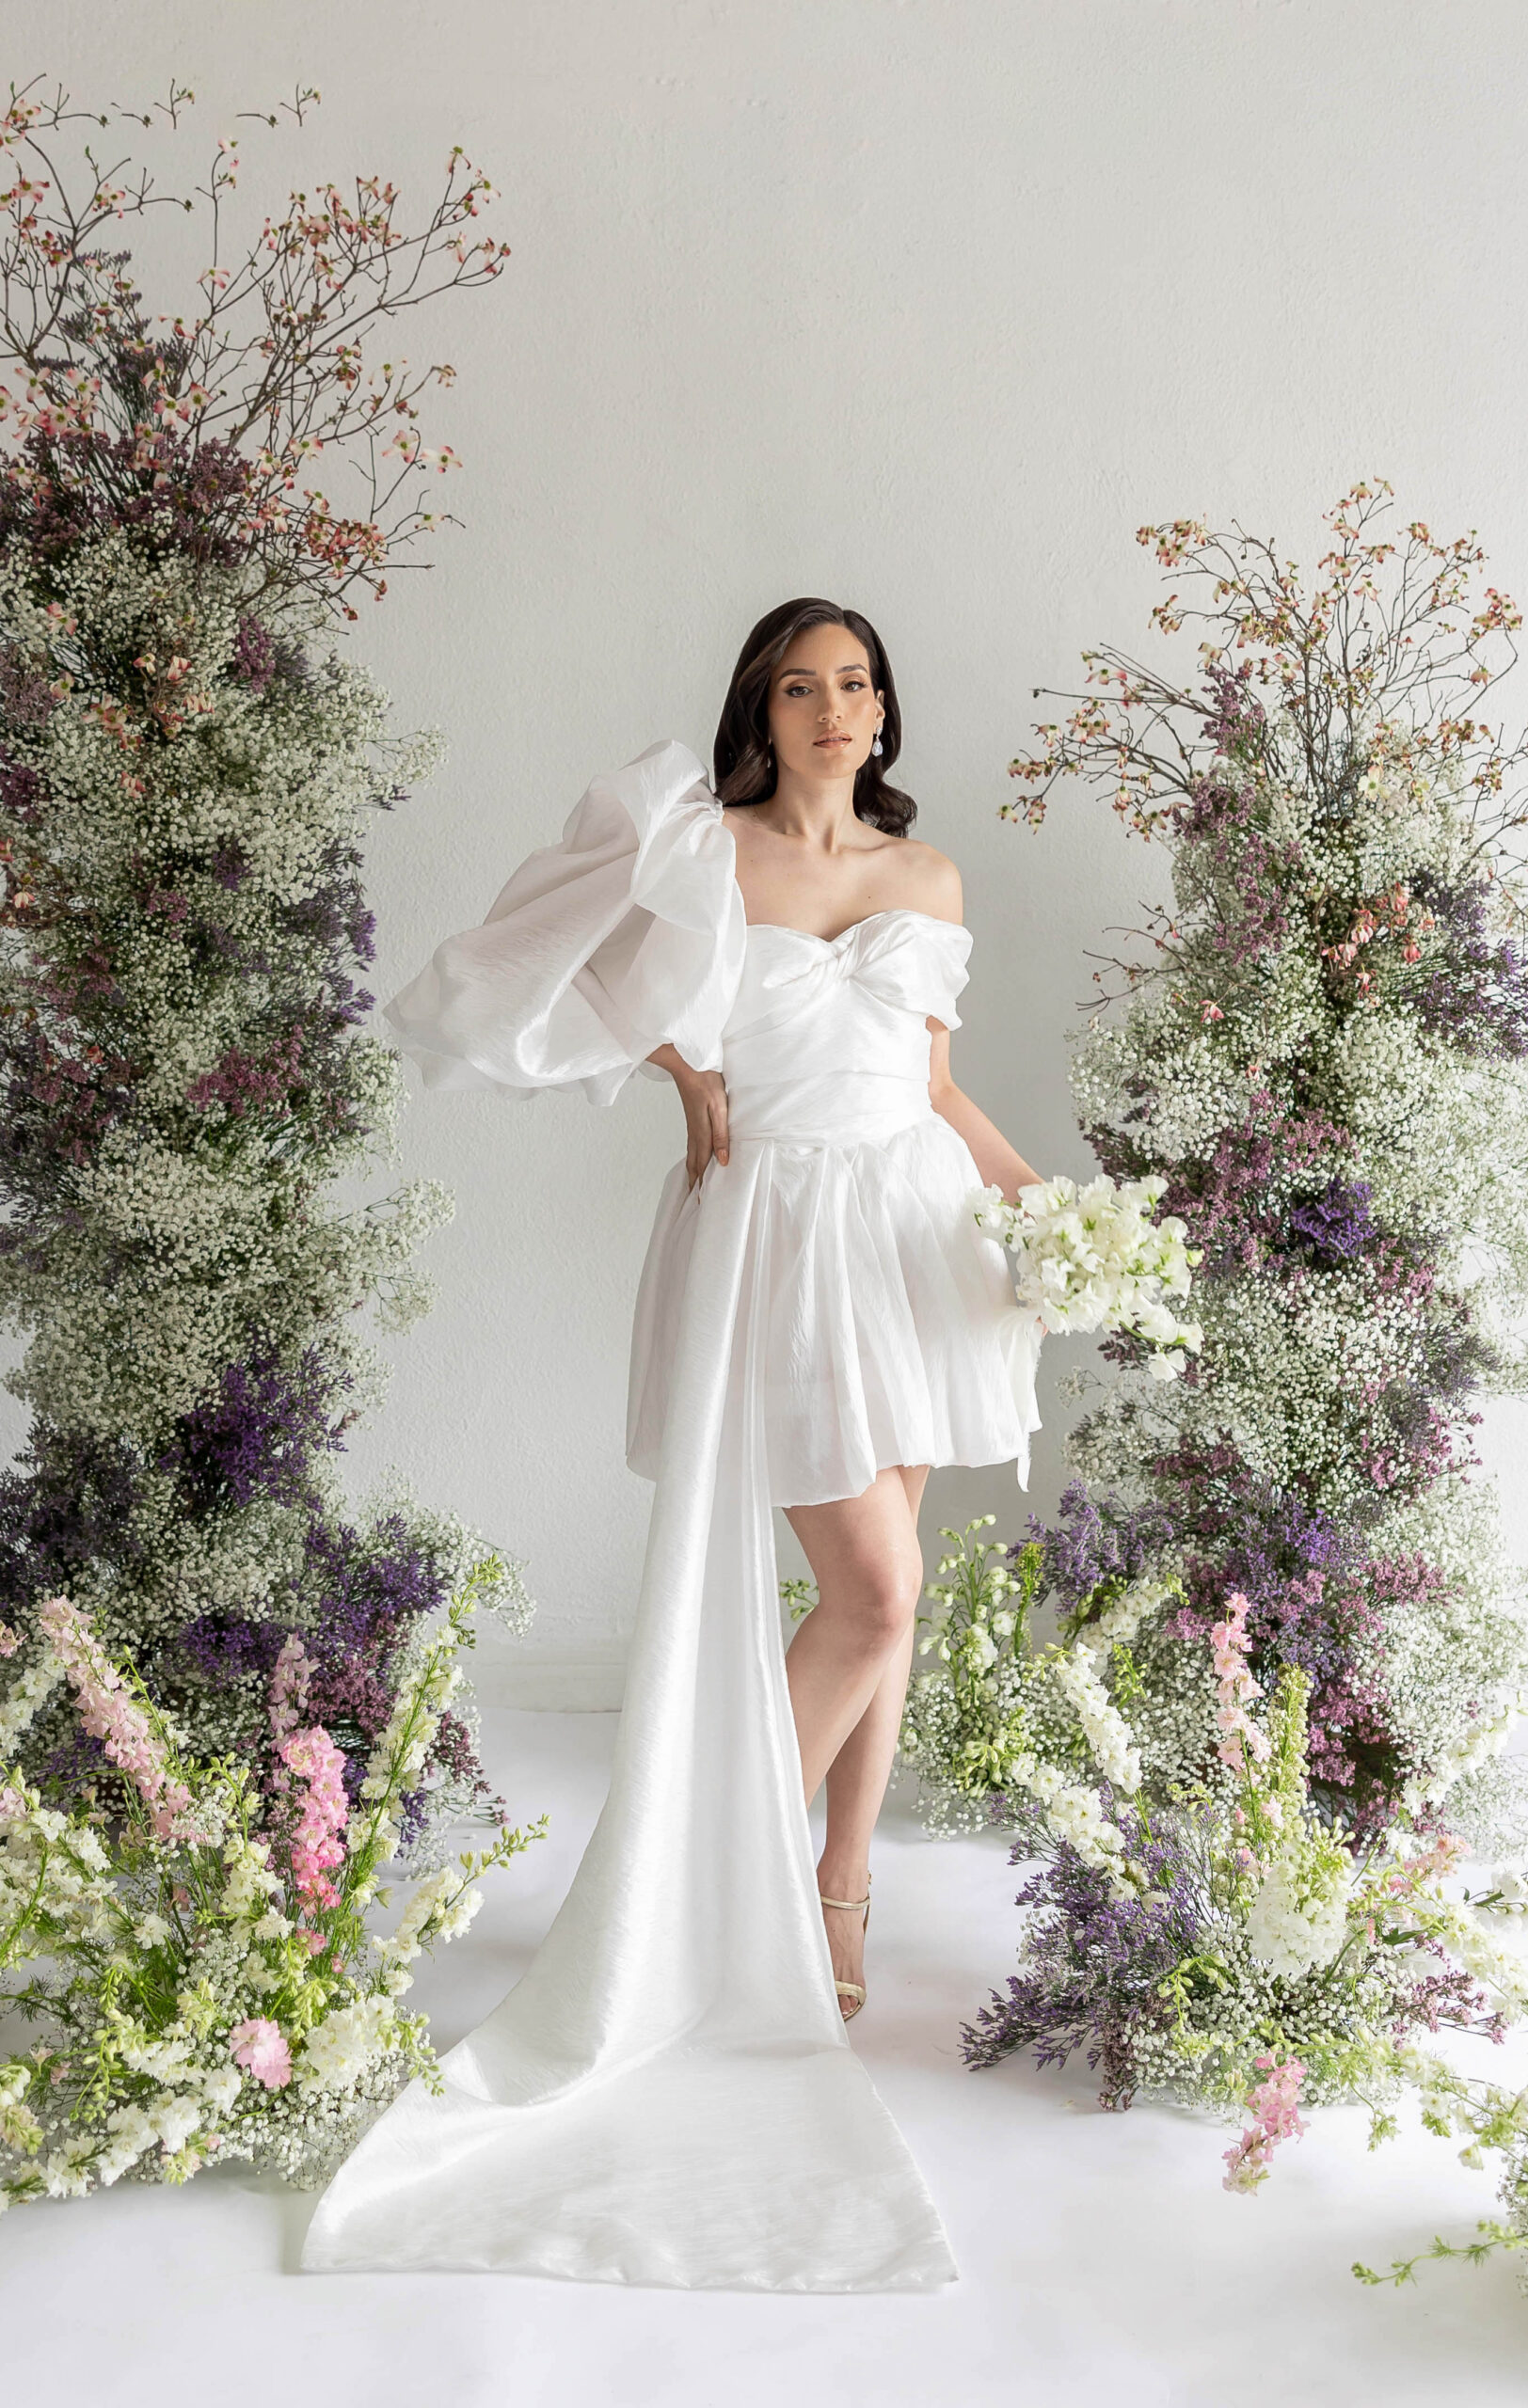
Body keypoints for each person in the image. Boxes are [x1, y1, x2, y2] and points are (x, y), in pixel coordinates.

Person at [299, 597, 1045, 2293]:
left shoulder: (927, 879)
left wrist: (1060, 1220)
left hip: (915, 1236)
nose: (833, 709)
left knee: (892, 1592)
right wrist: (672, 1062)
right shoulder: (702, 850)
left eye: (855, 684)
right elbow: (529, 956)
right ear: (757, 713)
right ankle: (704, 1878)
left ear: (882, 711)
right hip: (773, 1236)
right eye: (800, 688)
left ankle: (837, 1889)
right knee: (869, 1591)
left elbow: (936, 1089)